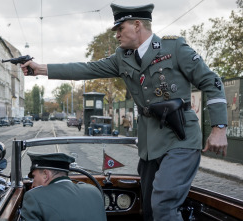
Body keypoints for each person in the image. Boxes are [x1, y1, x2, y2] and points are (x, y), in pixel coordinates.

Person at [21, 3, 228, 221]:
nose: (117, 35)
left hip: (180, 138)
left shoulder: (174, 49)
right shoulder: (122, 58)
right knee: (147, 207)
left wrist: (219, 128)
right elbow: (86, 68)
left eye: (120, 29)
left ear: (137, 25)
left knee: (163, 204)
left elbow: (212, 82)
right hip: (150, 143)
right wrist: (40, 69)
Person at [20, 152, 106, 221]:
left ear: (46, 175)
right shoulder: (94, 191)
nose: (33, 184)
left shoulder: (34, 197)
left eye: (34, 176)